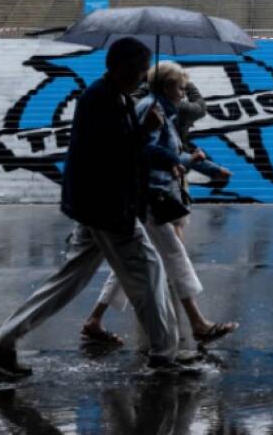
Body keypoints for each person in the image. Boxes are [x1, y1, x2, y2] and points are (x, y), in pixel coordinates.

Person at [0, 37, 185, 378]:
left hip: (97, 206)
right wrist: (145, 131)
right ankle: (163, 356)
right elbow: (107, 154)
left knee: (67, 281)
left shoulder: (114, 97)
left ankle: (0, 345)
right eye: (142, 68)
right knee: (149, 272)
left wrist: (148, 139)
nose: (145, 76)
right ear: (123, 66)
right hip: (107, 206)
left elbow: (122, 149)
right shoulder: (101, 99)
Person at [82, 62, 239, 348]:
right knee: (174, 255)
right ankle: (197, 324)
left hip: (152, 195)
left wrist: (209, 168)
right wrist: (187, 163)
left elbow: (173, 152)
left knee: (130, 262)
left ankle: (95, 319)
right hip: (150, 197)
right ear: (166, 87)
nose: (183, 94)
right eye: (180, 88)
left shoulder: (162, 111)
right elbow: (146, 150)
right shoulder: (151, 110)